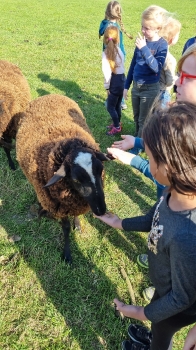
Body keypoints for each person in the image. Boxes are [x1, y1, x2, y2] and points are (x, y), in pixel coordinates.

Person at [95, 101, 196, 350]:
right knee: (158, 326)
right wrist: (120, 223)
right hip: (164, 289)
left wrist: (139, 311)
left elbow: (181, 298)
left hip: (177, 307)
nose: (147, 163)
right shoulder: (171, 192)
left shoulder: (186, 236)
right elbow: (155, 219)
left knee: (162, 332)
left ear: (168, 167)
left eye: (149, 158)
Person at [124, 5, 169, 139]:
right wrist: (126, 86)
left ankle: (139, 144)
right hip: (136, 86)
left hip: (150, 89)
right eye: (142, 26)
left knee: (144, 119)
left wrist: (144, 49)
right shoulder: (142, 42)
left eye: (147, 28)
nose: (143, 31)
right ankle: (137, 137)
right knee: (137, 116)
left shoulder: (162, 45)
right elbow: (133, 64)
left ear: (158, 29)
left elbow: (156, 67)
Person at [99, 1, 132, 110]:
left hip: (107, 56)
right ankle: (120, 101)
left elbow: (100, 31)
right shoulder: (115, 28)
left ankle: (111, 99)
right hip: (117, 56)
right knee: (118, 78)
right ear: (119, 13)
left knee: (108, 77)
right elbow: (119, 46)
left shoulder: (104, 24)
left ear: (107, 12)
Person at [102, 25, 125, 136]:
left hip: (114, 82)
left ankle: (116, 126)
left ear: (105, 39)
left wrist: (107, 87)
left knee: (110, 106)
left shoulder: (106, 53)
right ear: (117, 39)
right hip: (122, 80)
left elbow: (107, 73)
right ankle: (118, 123)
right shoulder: (119, 50)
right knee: (118, 105)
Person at [159, 18, 181, 108]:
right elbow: (169, 82)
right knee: (162, 117)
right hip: (163, 93)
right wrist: (177, 77)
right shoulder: (170, 59)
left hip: (152, 90)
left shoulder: (154, 52)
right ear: (171, 39)